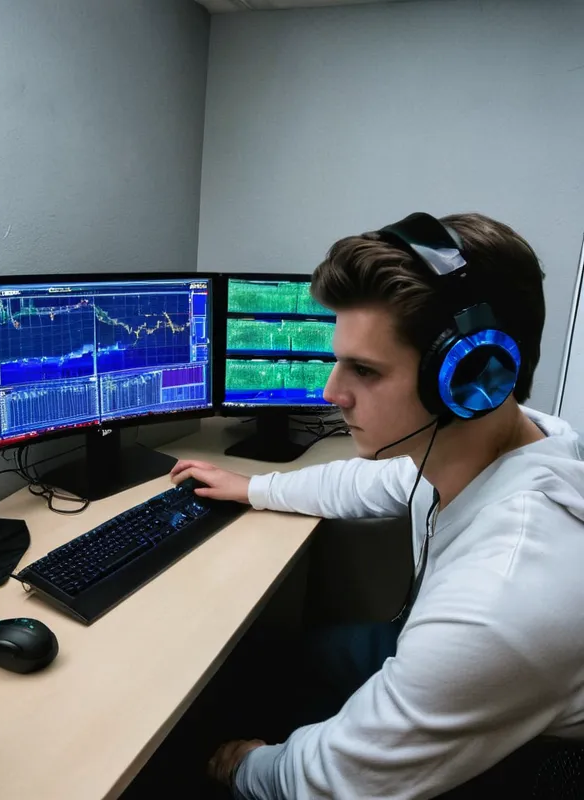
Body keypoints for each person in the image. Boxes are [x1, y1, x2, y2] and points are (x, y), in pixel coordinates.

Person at [171, 212, 584, 799]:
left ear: (473, 378)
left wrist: (242, 764)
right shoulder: (519, 439)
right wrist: (251, 488)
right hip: (449, 659)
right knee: (275, 660)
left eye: (364, 370)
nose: (331, 392)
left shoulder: (499, 601)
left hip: (515, 757)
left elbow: (336, 781)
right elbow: (373, 483)